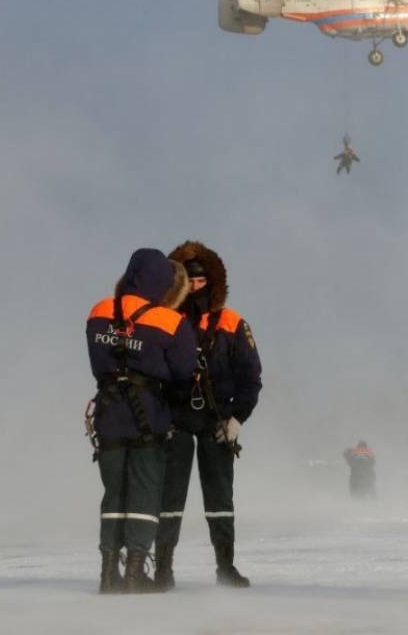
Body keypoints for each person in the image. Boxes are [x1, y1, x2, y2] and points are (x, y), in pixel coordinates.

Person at [86, 248, 195, 593]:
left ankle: (108, 574)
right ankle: (135, 572)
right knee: (145, 493)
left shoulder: (99, 310)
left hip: (108, 413)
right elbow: (183, 371)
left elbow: (98, 358)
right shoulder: (169, 320)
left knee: (113, 494)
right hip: (149, 414)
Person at [156, 241, 263, 589]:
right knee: (168, 499)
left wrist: (237, 419)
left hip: (218, 419)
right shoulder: (165, 320)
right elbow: (151, 375)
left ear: (212, 283)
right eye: (190, 282)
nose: (196, 288)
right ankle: (163, 569)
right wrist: (161, 420)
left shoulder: (232, 323)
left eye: (201, 282)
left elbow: (251, 378)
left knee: (220, 499)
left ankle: (226, 567)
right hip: (176, 420)